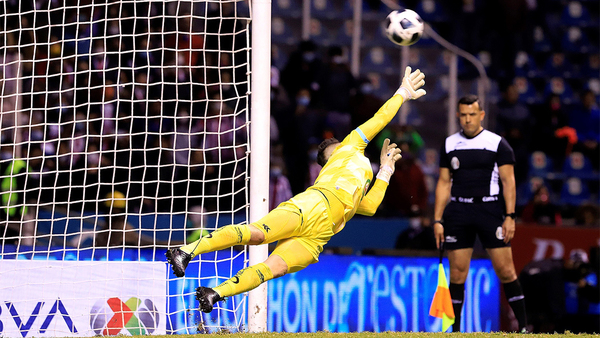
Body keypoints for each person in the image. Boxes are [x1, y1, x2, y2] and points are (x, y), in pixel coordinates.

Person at [166, 66, 426, 313]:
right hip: (313, 205)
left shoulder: (362, 173)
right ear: (328, 158)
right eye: (332, 146)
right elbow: (380, 118)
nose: (337, 142)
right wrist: (402, 93)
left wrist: (385, 170)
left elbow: (368, 207)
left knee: (273, 268)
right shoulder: (350, 147)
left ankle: (215, 293)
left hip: (320, 235)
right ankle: (186, 251)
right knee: (257, 235)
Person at [433, 95, 528, 332]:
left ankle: (524, 329)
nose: (467, 119)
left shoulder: (497, 143)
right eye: (463, 115)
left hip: (490, 210)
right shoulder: (449, 144)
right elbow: (444, 183)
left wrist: (510, 216)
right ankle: (455, 332)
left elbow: (509, 182)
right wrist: (437, 219)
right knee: (457, 273)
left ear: (482, 115)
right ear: (458, 115)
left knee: (506, 270)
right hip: (458, 210)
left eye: (472, 114)